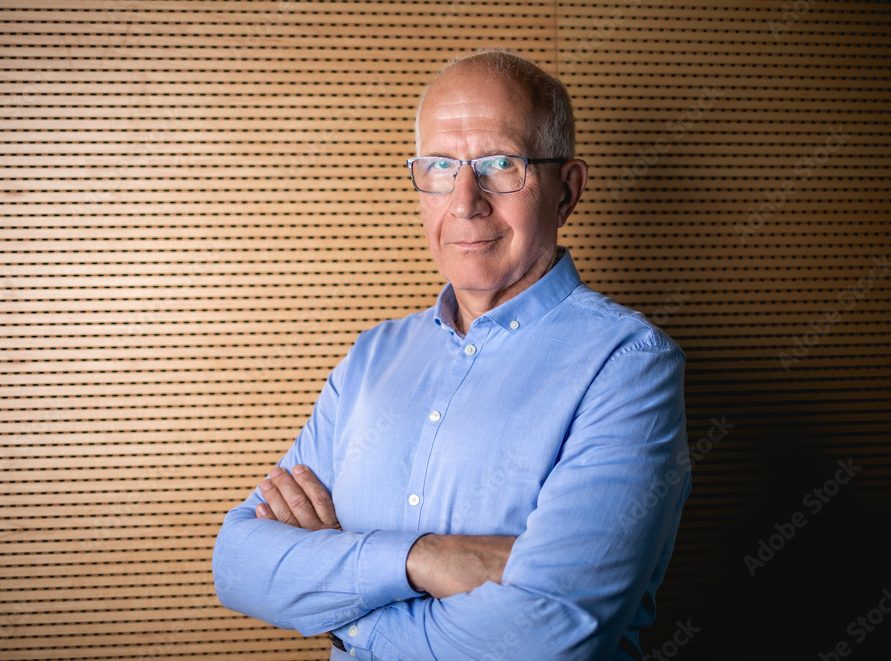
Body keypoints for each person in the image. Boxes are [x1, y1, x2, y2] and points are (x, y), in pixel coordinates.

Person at [213, 49, 690, 660]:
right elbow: (238, 564)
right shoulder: (372, 356)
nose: (465, 202)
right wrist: (424, 558)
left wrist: (345, 612)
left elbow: (552, 638)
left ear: (566, 190)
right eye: (440, 166)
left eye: (500, 164)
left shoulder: (628, 365)